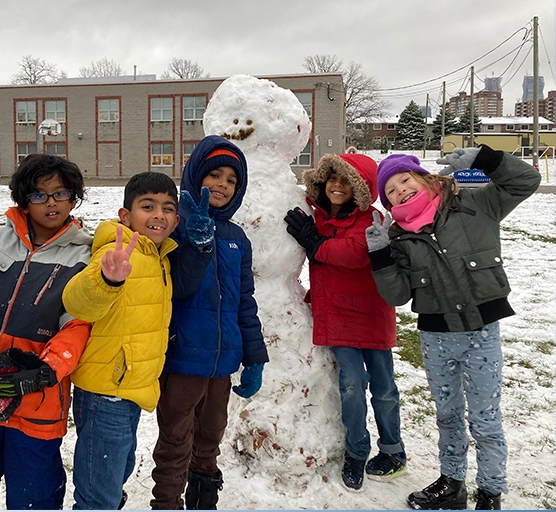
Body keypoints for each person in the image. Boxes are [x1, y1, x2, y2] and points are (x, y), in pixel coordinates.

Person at [366, 147, 541, 510]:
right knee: (446, 416)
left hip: (481, 333)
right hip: (437, 337)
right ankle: (452, 483)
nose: (401, 191)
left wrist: (485, 161)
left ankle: (490, 493)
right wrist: (380, 254)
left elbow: (527, 180)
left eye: (404, 180)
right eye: (392, 191)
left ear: (423, 177)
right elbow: (397, 295)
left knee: (485, 419)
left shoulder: (475, 204)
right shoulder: (399, 239)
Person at [0, 154, 93, 510]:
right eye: (39, 195)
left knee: (34, 498)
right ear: (24, 199)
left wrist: (47, 370)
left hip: (37, 399)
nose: (51, 202)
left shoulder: (84, 256)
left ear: (74, 197)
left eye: (61, 193)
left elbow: (77, 325)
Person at [150, 135, 267, 510]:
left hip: (223, 362)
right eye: (214, 174)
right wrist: (193, 242)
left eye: (231, 180)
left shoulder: (237, 238)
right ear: (195, 176)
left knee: (211, 435)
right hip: (183, 357)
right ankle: (166, 502)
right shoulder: (173, 225)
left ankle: (203, 501)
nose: (222, 184)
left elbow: (244, 302)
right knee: (175, 439)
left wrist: (254, 356)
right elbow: (174, 290)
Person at [284, 153, 404, 492]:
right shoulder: (319, 218)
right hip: (337, 316)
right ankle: (356, 451)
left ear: (362, 188)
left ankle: (393, 449)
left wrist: (315, 244)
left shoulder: (371, 220)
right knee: (351, 387)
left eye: (346, 181)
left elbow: (353, 254)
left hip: (370, 315)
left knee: (384, 389)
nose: (337, 186)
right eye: (332, 179)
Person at [62, 171, 180, 510]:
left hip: (129, 389)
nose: (159, 215)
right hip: (105, 390)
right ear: (125, 216)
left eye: (168, 208)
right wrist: (107, 279)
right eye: (148, 206)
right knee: (99, 491)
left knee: (119, 467)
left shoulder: (159, 256)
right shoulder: (115, 255)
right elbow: (77, 301)